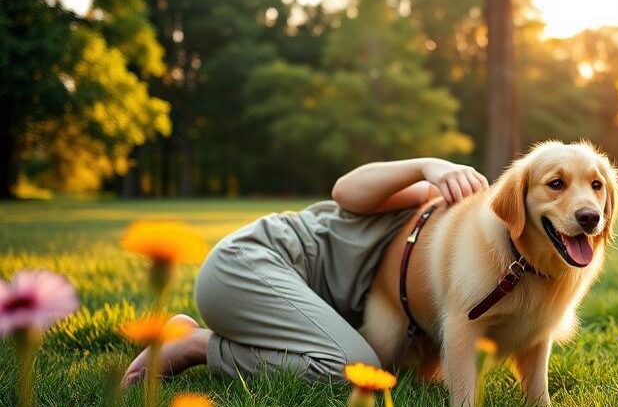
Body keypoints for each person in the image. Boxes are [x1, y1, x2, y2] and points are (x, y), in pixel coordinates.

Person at [122, 158, 488, 385]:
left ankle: (188, 336)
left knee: (367, 365)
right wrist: (428, 166)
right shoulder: (426, 199)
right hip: (251, 262)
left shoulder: (433, 270)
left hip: (273, 288)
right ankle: (195, 346)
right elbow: (345, 189)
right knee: (352, 367)